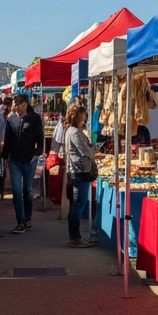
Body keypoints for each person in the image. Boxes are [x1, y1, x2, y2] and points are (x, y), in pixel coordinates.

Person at [3, 94, 43, 234]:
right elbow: (7, 139)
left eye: (19, 104)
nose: (17, 107)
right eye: (15, 104)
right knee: (16, 190)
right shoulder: (11, 119)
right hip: (14, 160)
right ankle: (20, 221)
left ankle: (27, 219)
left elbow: (40, 138)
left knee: (27, 191)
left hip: (29, 160)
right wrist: (4, 156)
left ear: (25, 104)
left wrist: (37, 154)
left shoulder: (34, 118)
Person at [62, 104, 98, 248]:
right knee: (78, 204)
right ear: (75, 116)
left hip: (77, 170)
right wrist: (95, 151)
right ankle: (75, 237)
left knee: (78, 203)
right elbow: (85, 151)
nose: (84, 120)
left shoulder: (72, 131)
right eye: (82, 117)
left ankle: (75, 236)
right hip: (80, 170)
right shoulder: (75, 132)